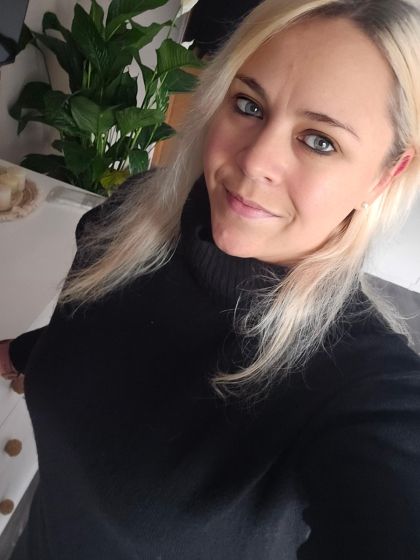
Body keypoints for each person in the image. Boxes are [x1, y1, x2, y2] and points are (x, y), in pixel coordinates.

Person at [1, 0, 420, 558]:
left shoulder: (359, 383)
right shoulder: (132, 218)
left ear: (386, 175)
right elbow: (94, 332)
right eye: (249, 105)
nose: (255, 162)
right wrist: (25, 353)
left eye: (320, 140)